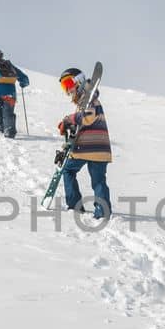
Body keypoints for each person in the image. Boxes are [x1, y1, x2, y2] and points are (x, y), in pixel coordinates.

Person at [56, 67, 111, 220]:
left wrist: (68, 119)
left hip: (88, 148)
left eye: (68, 84)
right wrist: (68, 127)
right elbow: (82, 122)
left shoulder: (90, 98)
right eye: (64, 87)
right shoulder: (84, 101)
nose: (67, 90)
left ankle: (75, 205)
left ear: (78, 81)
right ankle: (103, 210)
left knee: (68, 171)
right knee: (98, 180)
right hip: (98, 148)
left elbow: (88, 117)